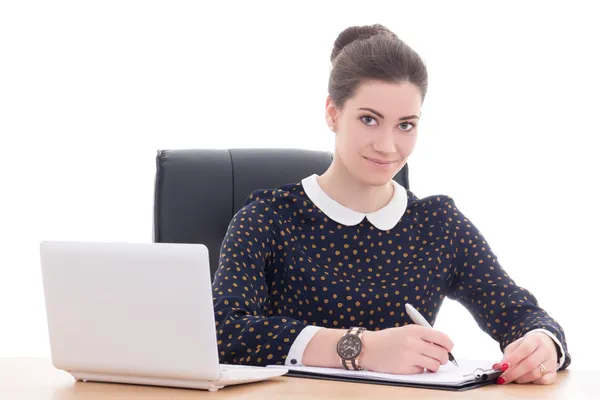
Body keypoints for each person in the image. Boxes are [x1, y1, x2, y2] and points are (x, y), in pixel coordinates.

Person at [212, 24, 570, 386]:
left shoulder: (438, 225)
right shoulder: (267, 218)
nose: (388, 146)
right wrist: (359, 347)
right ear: (333, 113)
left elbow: (521, 314)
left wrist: (542, 343)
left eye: (405, 125)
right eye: (369, 120)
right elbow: (223, 332)